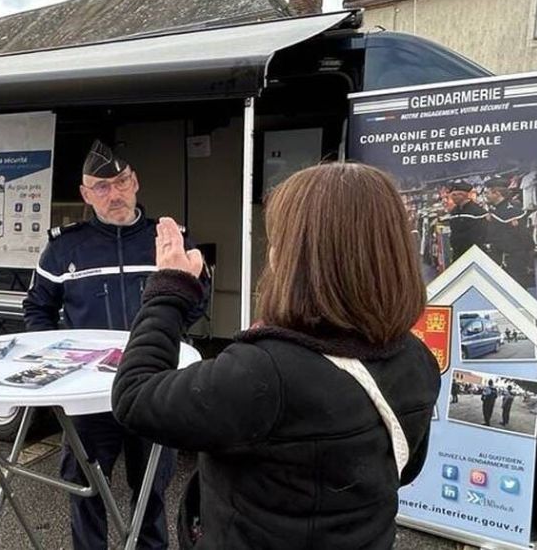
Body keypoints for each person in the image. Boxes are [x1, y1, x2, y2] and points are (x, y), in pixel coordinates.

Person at [112, 162, 440, 549]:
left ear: (301, 258)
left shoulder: (265, 372)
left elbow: (134, 395)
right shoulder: (417, 357)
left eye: (278, 237)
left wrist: (170, 288)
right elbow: (405, 469)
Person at [23, 140, 208, 550]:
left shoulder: (168, 241)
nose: (115, 194)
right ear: (86, 195)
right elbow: (37, 309)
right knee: (86, 489)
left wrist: (168, 329)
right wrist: (58, 359)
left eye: (121, 181)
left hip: (152, 386)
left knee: (152, 491)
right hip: (88, 397)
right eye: (101, 187)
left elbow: (198, 296)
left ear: (135, 182)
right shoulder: (63, 248)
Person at [484, 178, 535, 288]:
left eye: (487, 193)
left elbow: (523, 237)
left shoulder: (510, 212)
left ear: (496, 193)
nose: (485, 196)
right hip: (505, 259)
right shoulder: (497, 211)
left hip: (513, 261)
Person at [446, 181, 488, 261]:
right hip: (457, 253)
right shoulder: (454, 212)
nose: (453, 198)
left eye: (456, 195)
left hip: (474, 253)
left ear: (464, 195)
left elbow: (482, 234)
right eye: (452, 195)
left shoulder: (477, 212)